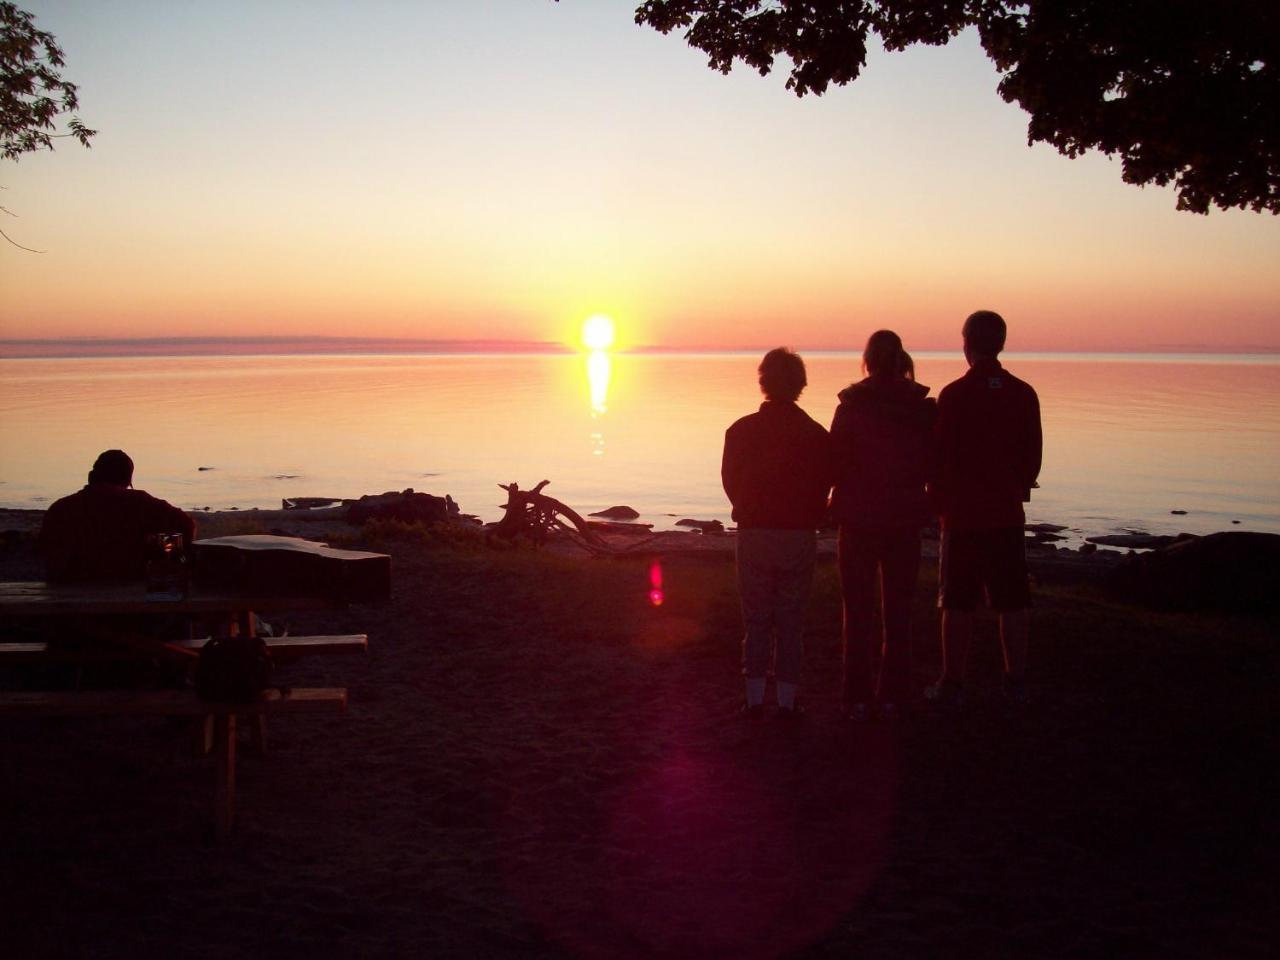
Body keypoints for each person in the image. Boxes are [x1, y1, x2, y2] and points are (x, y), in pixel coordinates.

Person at [928, 311, 1042, 706]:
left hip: (961, 518)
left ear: (967, 344)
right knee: (1012, 600)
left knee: (957, 601)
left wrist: (936, 500)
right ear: (1001, 343)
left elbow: (937, 458)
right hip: (1006, 515)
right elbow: (1033, 460)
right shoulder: (1023, 393)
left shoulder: (954, 395)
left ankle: (952, 682)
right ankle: (1015, 679)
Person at [829, 330, 937, 720]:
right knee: (899, 610)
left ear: (868, 361)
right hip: (904, 517)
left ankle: (855, 696)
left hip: (858, 518)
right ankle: (893, 694)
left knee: (857, 609)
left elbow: (834, 460)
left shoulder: (851, 405)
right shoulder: (922, 408)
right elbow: (933, 462)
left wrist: (826, 504)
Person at [722, 348, 831, 718]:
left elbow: (731, 481)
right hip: (798, 535)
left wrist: (748, 508)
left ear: (763, 382)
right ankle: (785, 701)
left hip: (754, 533)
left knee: (756, 619)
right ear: (800, 385)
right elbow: (824, 485)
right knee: (790, 621)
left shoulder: (740, 431)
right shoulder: (816, 434)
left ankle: (754, 699)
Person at [39, 449, 196, 583]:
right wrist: (160, 551)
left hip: (69, 583)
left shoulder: (61, 507)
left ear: (91, 476)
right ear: (128, 481)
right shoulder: (140, 503)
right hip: (127, 581)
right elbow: (186, 526)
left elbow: (45, 550)